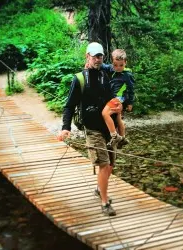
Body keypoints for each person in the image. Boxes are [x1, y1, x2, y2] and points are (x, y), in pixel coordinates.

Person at [58, 42, 121, 216]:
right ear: (87, 56)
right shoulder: (79, 78)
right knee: (104, 164)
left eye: (100, 56)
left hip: (110, 127)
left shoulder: (108, 73)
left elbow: (122, 70)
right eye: (94, 56)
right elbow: (69, 105)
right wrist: (65, 127)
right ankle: (104, 203)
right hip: (92, 128)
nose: (97, 59)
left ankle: (99, 189)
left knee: (110, 166)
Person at [101, 49, 135, 148]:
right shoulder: (111, 69)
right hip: (113, 97)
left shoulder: (127, 75)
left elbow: (131, 89)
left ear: (125, 63)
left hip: (119, 98)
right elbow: (103, 66)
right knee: (118, 118)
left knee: (105, 113)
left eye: (121, 65)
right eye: (115, 65)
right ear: (112, 63)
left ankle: (114, 135)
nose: (118, 68)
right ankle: (123, 138)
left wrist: (130, 103)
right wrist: (88, 64)